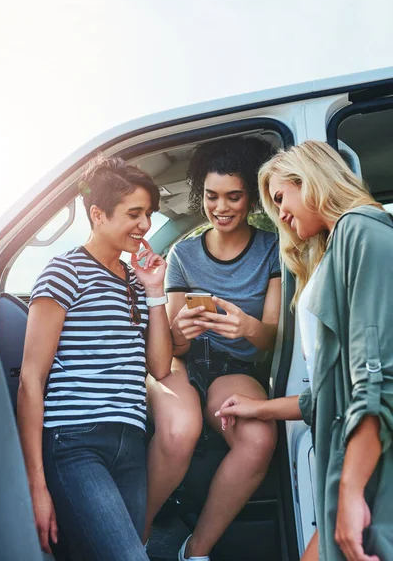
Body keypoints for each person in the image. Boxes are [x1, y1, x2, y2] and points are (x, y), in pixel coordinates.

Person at [216, 140, 393, 561]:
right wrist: (258, 410)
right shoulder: (334, 248)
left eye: (281, 197)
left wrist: (351, 492)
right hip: (349, 463)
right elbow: (333, 394)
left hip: (371, 467)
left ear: (310, 180)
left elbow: (376, 376)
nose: (280, 214)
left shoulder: (359, 229)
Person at [17, 155, 173, 561]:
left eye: (149, 215)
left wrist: (155, 290)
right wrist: (35, 485)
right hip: (76, 442)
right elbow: (32, 379)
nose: (145, 225)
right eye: (134, 214)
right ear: (98, 214)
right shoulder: (63, 272)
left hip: (130, 440)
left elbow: (159, 367)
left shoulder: (134, 281)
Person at [145, 136, 281, 561]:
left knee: (258, 439)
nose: (221, 208)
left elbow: (274, 337)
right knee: (178, 429)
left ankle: (195, 550)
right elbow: (170, 350)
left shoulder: (272, 249)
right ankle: (136, 536)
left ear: (251, 197)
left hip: (235, 367)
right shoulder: (183, 254)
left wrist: (246, 325)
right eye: (211, 196)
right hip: (186, 364)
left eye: (233, 196)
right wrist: (180, 328)